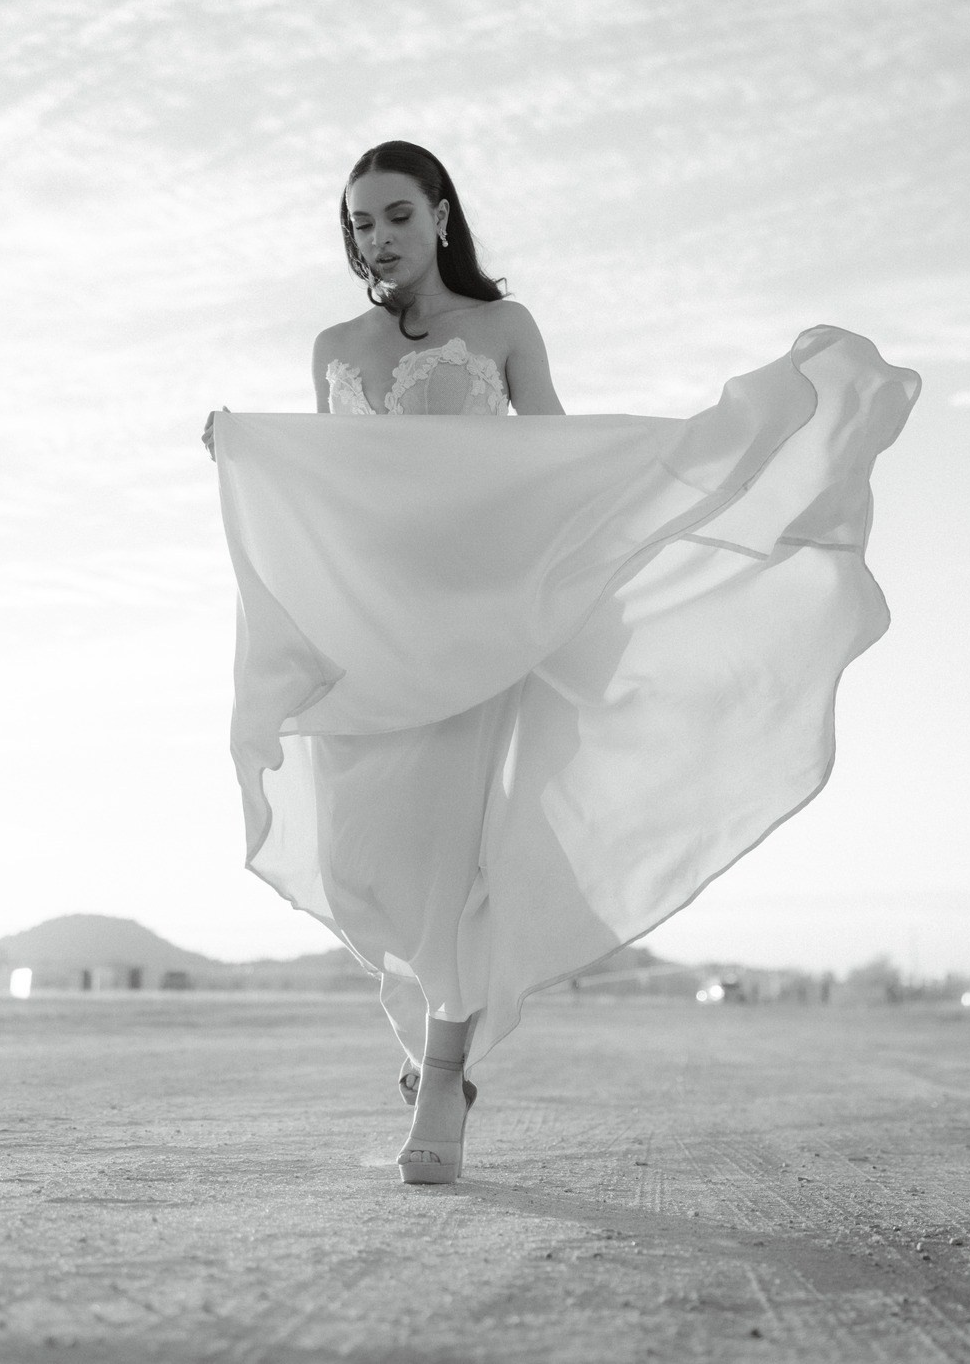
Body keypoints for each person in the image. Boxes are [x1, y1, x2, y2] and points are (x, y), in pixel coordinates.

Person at [207, 140, 920, 1186]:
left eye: (397, 215)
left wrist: (653, 499)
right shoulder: (331, 347)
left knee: (454, 865)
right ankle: (428, 1054)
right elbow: (336, 487)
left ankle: (440, 1084)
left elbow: (553, 458)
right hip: (366, 639)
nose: (378, 239)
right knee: (364, 864)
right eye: (360, 222)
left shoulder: (501, 328)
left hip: (475, 628)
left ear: (439, 215)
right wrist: (244, 448)